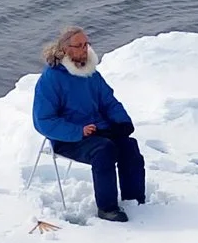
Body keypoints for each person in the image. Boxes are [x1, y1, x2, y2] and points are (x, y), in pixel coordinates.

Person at [33, 25, 146, 223]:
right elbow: (43, 121)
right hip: (68, 138)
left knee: (129, 146)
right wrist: (78, 131)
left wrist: (122, 122)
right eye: (79, 46)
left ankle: (134, 198)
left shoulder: (90, 73)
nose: (85, 49)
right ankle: (107, 208)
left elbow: (108, 101)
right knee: (104, 150)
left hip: (98, 131)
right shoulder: (51, 79)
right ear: (65, 49)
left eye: (86, 44)